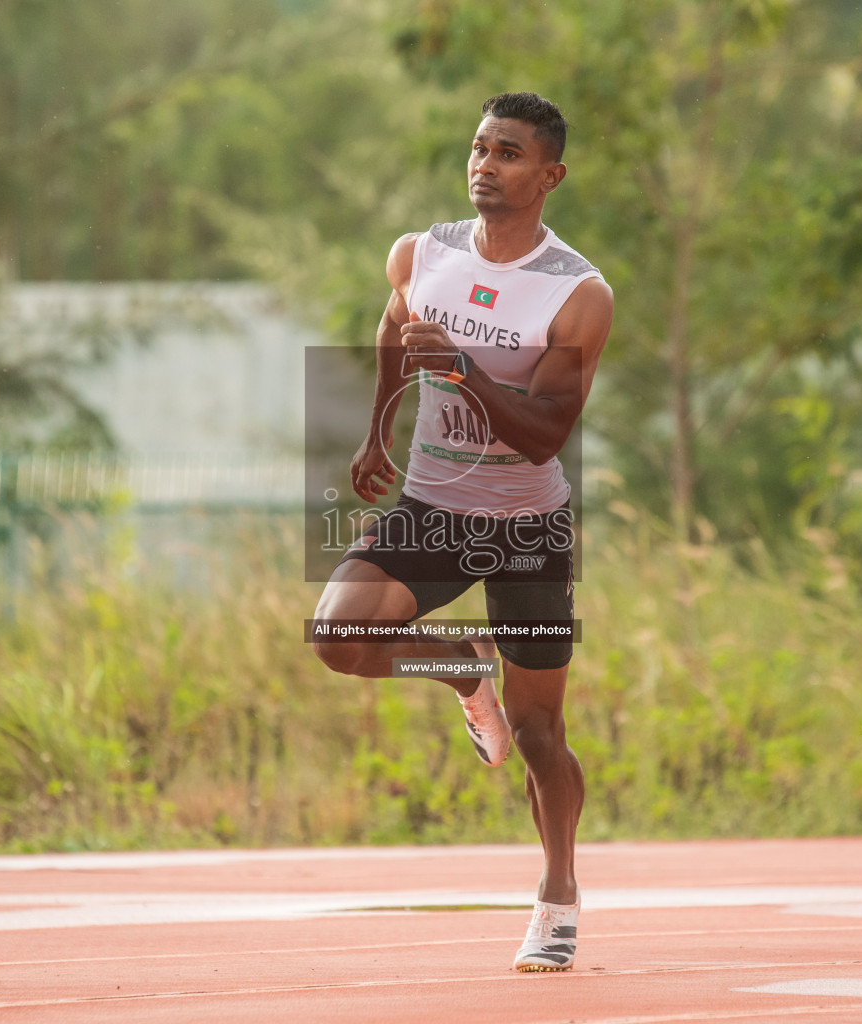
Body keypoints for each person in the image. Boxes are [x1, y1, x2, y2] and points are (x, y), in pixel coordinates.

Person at [312, 91, 613, 972]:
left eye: (510, 153)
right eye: (480, 148)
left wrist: (466, 372)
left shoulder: (577, 293)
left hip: (525, 527)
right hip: (432, 507)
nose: (486, 164)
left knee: (538, 735)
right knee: (337, 636)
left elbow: (549, 431)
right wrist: (378, 431)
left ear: (549, 175)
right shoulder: (422, 252)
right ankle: (457, 666)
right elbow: (394, 333)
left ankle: (558, 891)